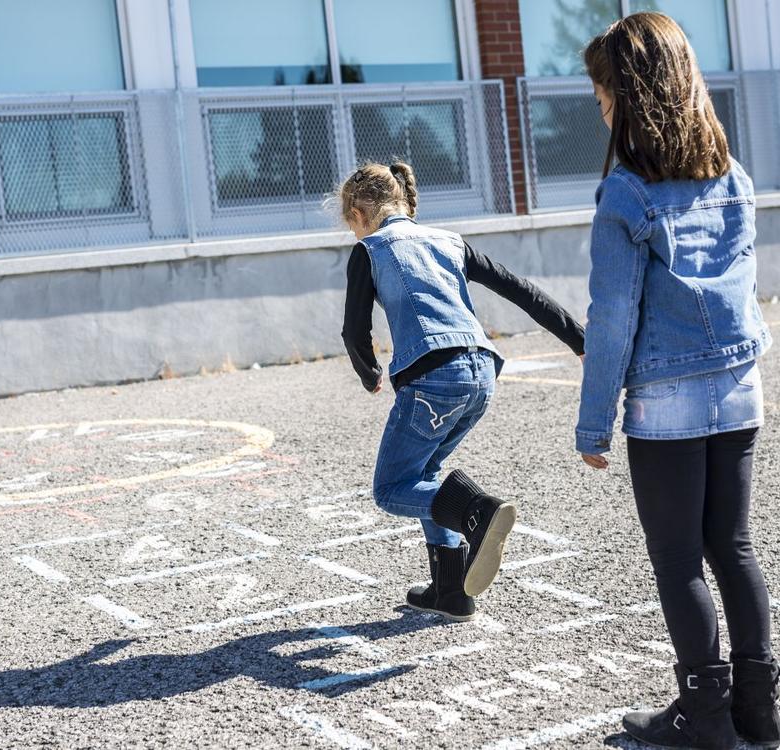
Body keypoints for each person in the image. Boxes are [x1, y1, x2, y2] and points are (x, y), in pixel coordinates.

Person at [576, 12, 778, 750]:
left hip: (668, 400)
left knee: (678, 560)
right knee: (735, 546)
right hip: (740, 385)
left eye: (602, 96)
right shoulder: (736, 177)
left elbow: (611, 320)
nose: (598, 109)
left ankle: (705, 716)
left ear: (631, 95)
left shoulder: (626, 196)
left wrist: (594, 423)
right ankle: (761, 709)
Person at [338, 161, 585, 622]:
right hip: (482, 374)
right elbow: (522, 291)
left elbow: (353, 329)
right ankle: (451, 591)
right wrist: (579, 341)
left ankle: (477, 511)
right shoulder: (450, 241)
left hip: (433, 378)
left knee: (392, 488)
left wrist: (369, 373)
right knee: (427, 471)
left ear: (358, 211)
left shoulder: (370, 250)